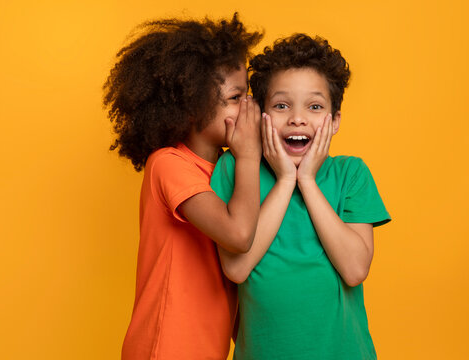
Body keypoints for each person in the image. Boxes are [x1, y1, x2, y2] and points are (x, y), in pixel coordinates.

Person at [210, 34, 391, 359]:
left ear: (334, 121)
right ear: (258, 113)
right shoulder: (235, 168)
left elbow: (354, 269)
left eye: (315, 106)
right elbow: (236, 268)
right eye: (281, 105)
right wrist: (284, 182)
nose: (297, 118)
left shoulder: (351, 175)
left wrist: (306, 179)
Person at [103, 14, 263, 360]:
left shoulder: (227, 170)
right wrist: (250, 156)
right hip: (164, 347)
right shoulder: (168, 164)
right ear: (193, 105)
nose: (249, 106)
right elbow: (238, 234)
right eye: (236, 97)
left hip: (208, 348)